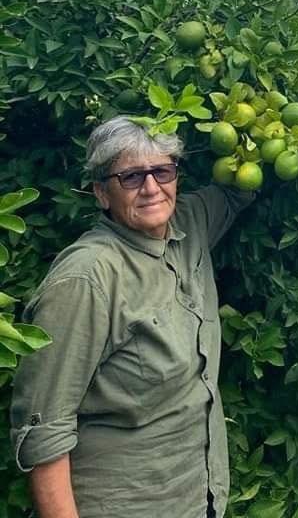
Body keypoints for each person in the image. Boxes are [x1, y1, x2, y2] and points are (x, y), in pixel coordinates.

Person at [10, 116, 256, 518]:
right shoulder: (87, 278)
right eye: (131, 177)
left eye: (162, 171)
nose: (151, 187)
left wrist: (253, 120)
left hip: (197, 498)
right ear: (101, 193)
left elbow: (239, 187)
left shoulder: (189, 225)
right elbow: (44, 431)